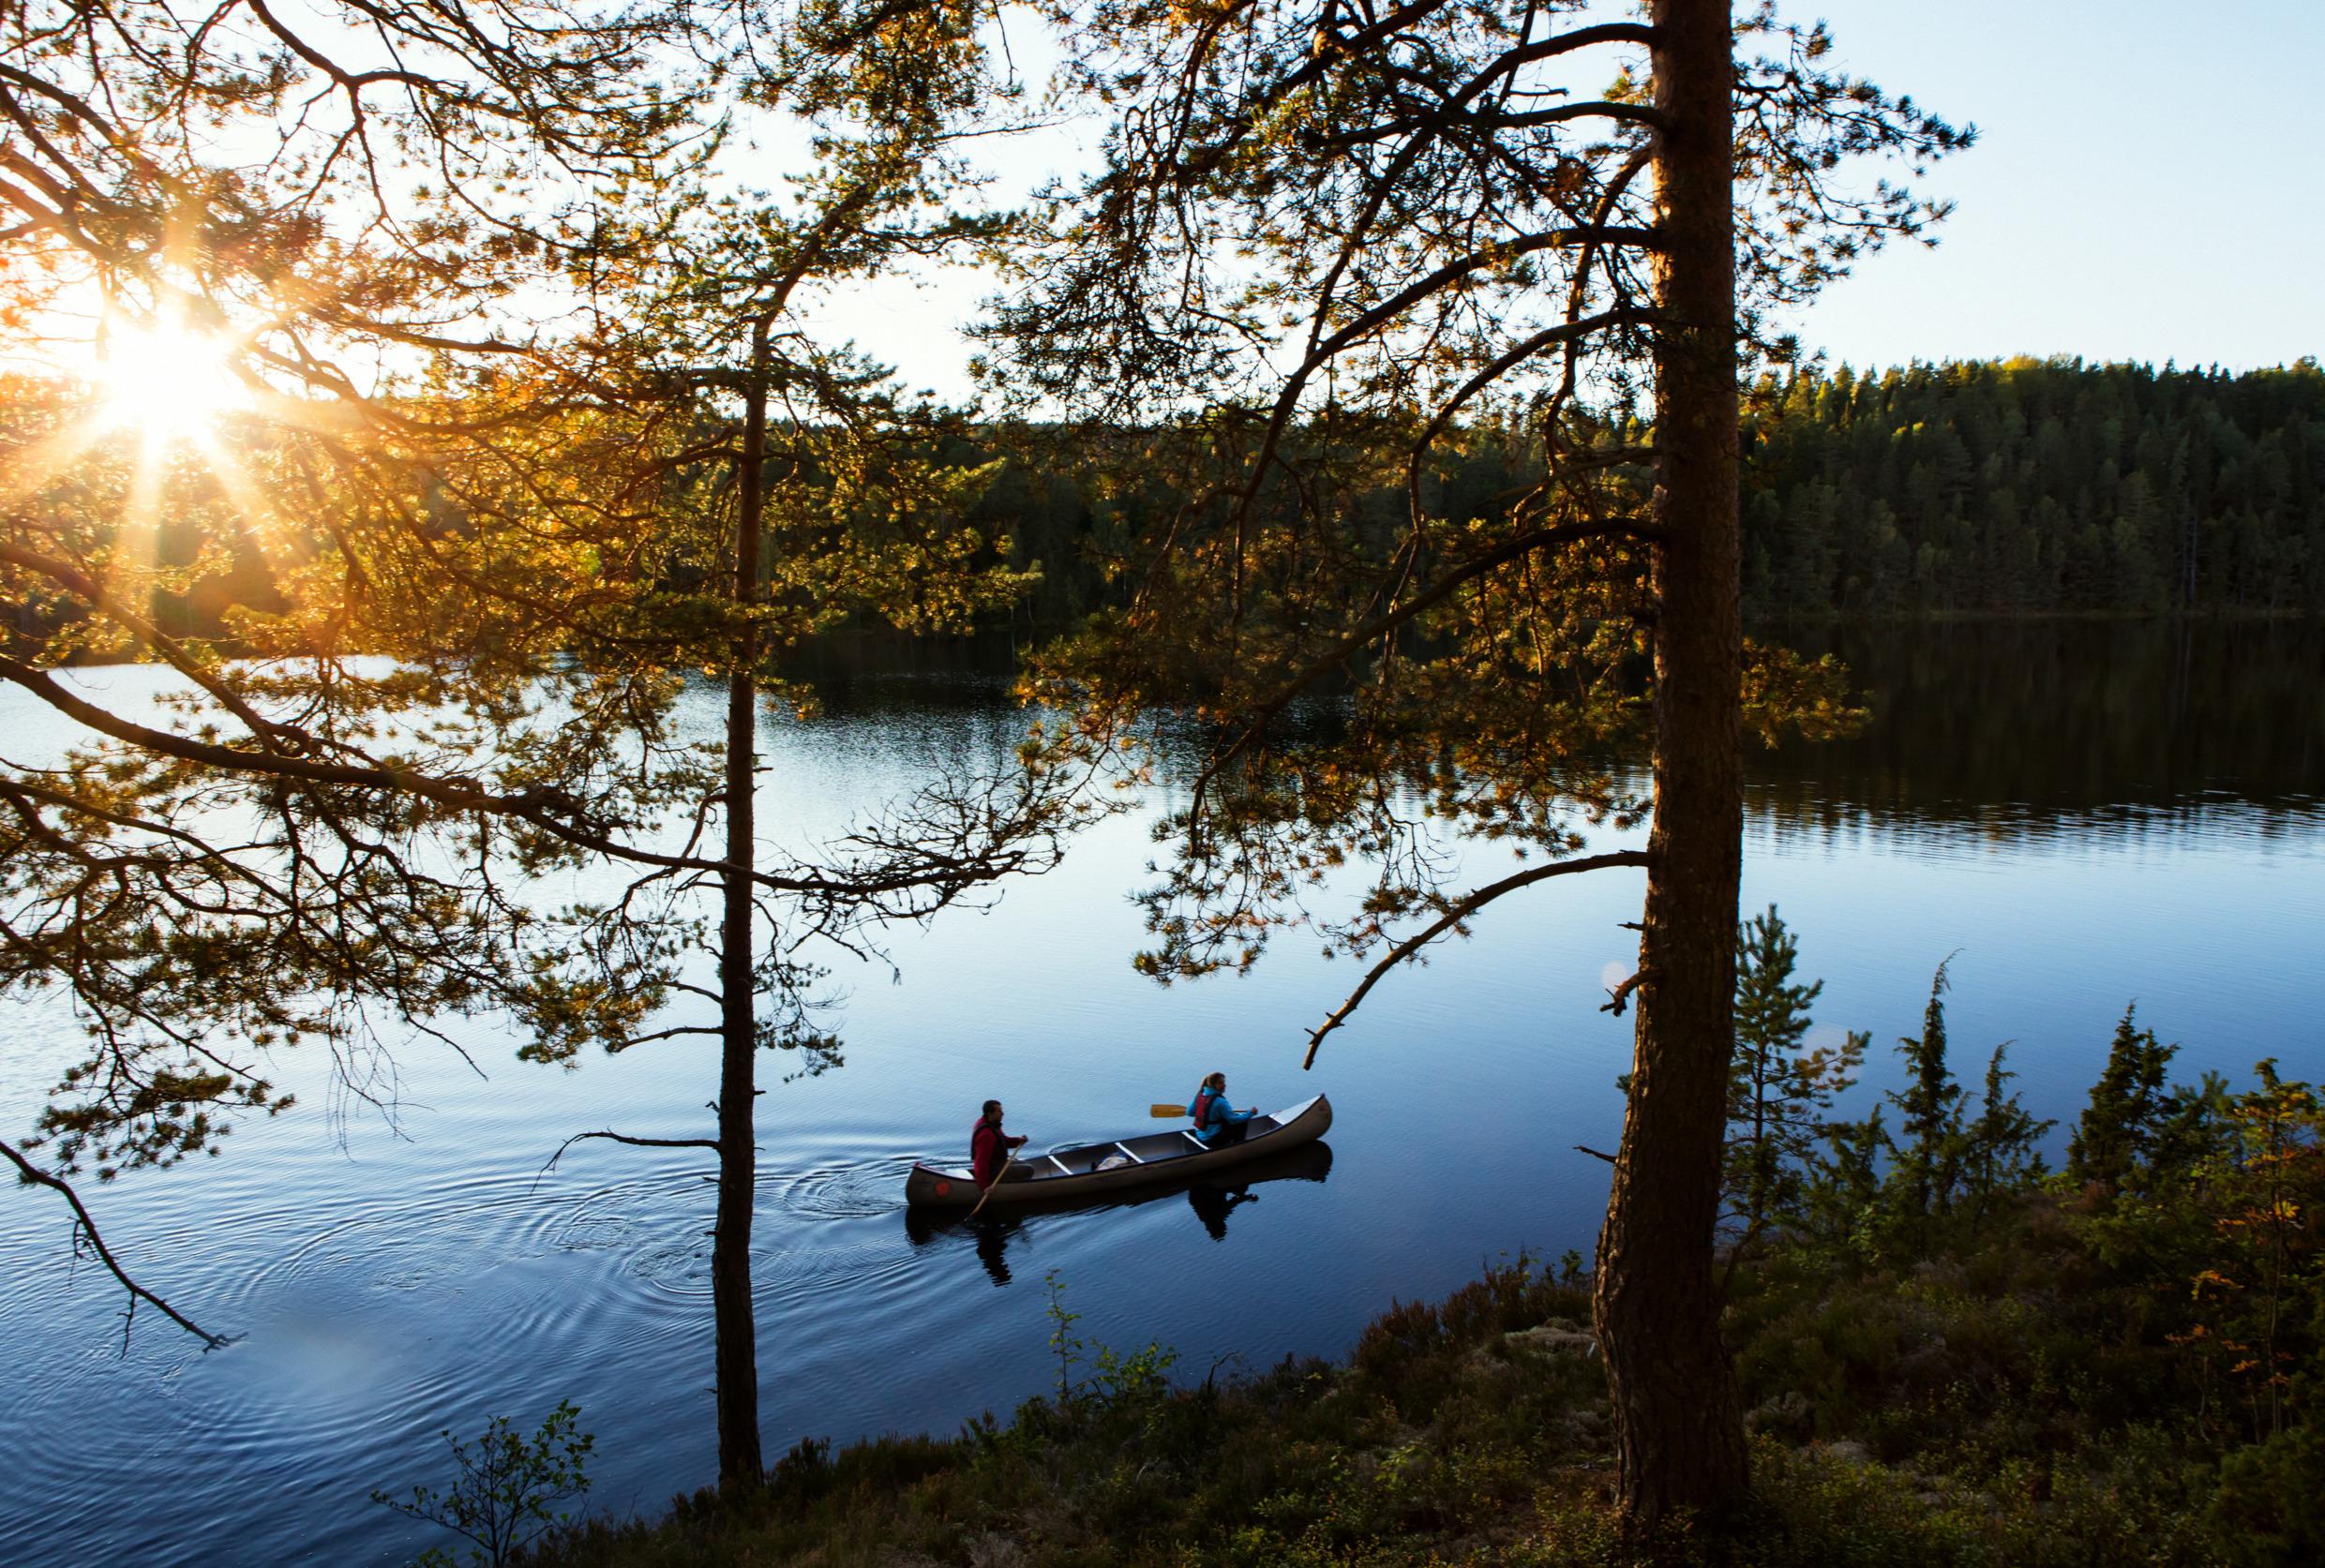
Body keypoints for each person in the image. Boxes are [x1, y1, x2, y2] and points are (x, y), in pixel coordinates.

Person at [1187, 1071, 1256, 1146]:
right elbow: (1233, 1120)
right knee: (1242, 1122)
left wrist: (1203, 1109)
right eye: (1221, 1083)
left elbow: (1189, 1112)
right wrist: (1250, 1113)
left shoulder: (1200, 1096)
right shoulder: (1220, 1101)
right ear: (1213, 1085)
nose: (1224, 1085)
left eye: (1224, 1082)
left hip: (1199, 1137)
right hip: (1212, 1140)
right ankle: (1237, 1147)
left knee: (1233, 1117)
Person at [970, 1098, 1028, 1187]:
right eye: (999, 1111)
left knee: (1025, 1164)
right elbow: (981, 1162)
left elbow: (1003, 1140)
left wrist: (1018, 1141)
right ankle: (1008, 1187)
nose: (1002, 1113)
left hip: (997, 1163)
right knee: (1029, 1169)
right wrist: (984, 1186)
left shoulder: (991, 1123)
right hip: (991, 1170)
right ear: (990, 1113)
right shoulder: (986, 1135)